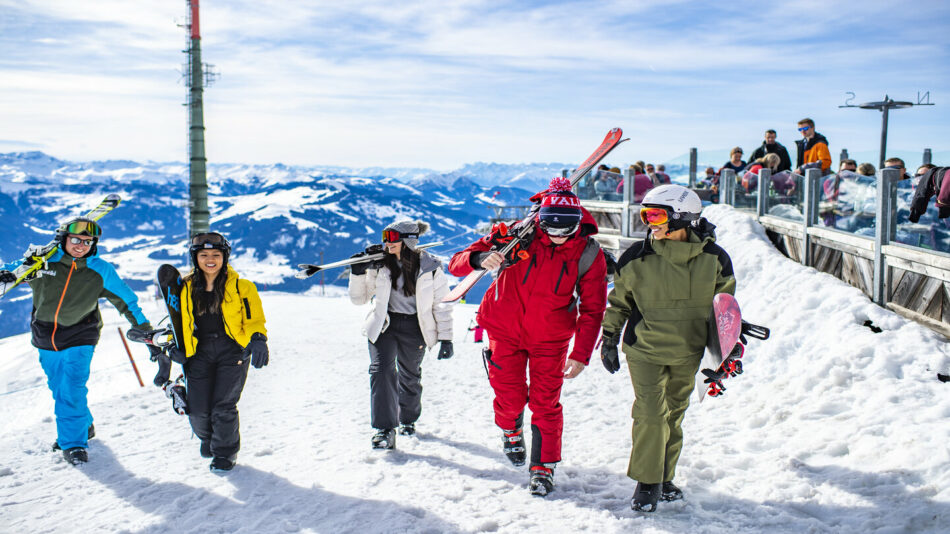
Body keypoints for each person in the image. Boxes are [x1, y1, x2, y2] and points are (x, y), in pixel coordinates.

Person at [448, 177, 607, 497]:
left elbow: (593, 308)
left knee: (545, 403)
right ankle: (510, 429)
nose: (559, 236)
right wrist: (481, 258)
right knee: (509, 399)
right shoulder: (512, 237)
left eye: (567, 229)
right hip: (502, 331)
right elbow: (456, 265)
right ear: (540, 221)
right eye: (551, 228)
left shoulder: (588, 252)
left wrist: (581, 353)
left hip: (551, 339)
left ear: (579, 220)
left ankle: (543, 468)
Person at [599, 184, 736, 512]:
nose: (649, 223)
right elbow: (619, 303)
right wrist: (609, 339)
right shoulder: (636, 257)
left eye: (656, 215)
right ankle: (647, 483)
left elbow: (725, 310)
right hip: (644, 348)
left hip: (688, 350)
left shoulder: (714, 260)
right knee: (650, 414)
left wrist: (727, 352)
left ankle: (663, 476)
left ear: (683, 218)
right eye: (645, 215)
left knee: (674, 414)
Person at [0, 218, 156, 465]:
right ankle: (83, 424)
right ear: (64, 239)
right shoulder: (43, 262)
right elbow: (11, 272)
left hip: (81, 335)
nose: (81, 245)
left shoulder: (100, 270)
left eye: (88, 241)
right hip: (44, 336)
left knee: (71, 389)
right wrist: (13, 271)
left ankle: (73, 444)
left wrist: (147, 333)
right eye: (76, 240)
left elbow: (128, 302)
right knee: (59, 387)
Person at [164, 232, 268, 472]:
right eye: (204, 255)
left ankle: (225, 453)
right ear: (195, 258)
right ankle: (209, 438)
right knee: (198, 410)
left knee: (224, 405)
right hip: (199, 352)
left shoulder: (243, 287)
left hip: (232, 351)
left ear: (225, 257)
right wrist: (176, 348)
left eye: (215, 255)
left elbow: (254, 320)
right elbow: (178, 323)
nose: (210, 259)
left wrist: (258, 339)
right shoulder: (186, 287)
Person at [348, 220, 453, 450]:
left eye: (392, 238)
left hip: (415, 328)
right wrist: (358, 274)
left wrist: (446, 337)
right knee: (381, 370)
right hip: (384, 325)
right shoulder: (380, 265)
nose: (386, 243)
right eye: (384, 237)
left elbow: (442, 304)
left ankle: (408, 419)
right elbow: (360, 298)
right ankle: (384, 430)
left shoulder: (430, 268)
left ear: (407, 241)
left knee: (410, 376)